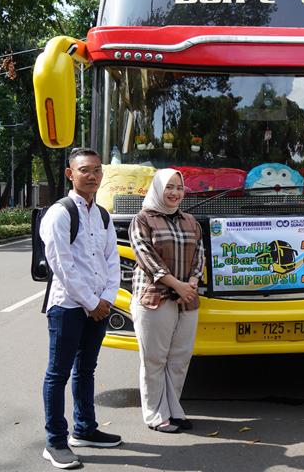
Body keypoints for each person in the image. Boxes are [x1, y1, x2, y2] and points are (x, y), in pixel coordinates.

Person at [40, 147, 122, 469]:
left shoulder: (102, 215)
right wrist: (91, 302)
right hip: (69, 306)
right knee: (58, 373)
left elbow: (112, 260)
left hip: (99, 305)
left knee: (86, 369)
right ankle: (55, 441)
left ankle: (85, 429)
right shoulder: (60, 213)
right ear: (70, 174)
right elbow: (61, 264)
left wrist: (108, 299)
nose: (92, 175)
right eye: (85, 170)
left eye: (97, 170)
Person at [129, 168, 204, 434]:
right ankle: (154, 414)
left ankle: (174, 410)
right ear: (158, 189)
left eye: (179, 188)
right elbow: (146, 257)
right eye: (169, 187)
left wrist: (192, 284)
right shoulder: (143, 219)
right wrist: (178, 285)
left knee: (179, 359)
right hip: (155, 298)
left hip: (187, 299)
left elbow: (199, 256)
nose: (174, 193)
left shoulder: (190, 221)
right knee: (154, 360)